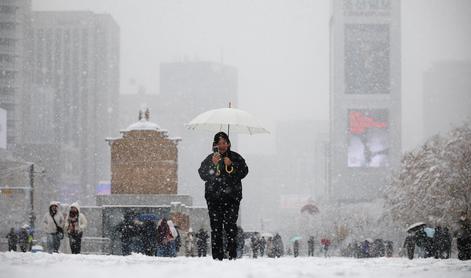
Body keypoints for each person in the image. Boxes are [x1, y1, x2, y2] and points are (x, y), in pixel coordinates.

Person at [198, 132, 249, 260]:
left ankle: (231, 255)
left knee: (230, 226)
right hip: (214, 199)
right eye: (219, 143)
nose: (222, 145)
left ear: (229, 144)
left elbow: (244, 171)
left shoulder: (235, 157)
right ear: (215, 145)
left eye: (224, 143)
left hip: (232, 199)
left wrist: (231, 165)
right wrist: (212, 165)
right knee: (216, 228)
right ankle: (217, 256)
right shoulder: (210, 158)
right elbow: (202, 174)